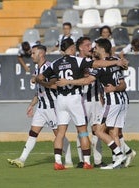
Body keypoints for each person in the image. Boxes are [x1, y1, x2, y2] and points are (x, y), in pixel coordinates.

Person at [36, 38, 128, 170]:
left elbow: (40, 77)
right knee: (84, 131)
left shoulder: (55, 63)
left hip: (60, 100)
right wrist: (117, 62)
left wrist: (41, 81)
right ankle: (87, 162)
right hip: (75, 99)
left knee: (60, 133)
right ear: (72, 48)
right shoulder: (78, 61)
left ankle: (58, 162)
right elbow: (96, 64)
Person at [7, 45, 73, 168]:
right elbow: (39, 92)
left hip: (53, 108)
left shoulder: (49, 67)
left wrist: (39, 80)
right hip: (42, 108)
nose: (31, 55)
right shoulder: (37, 70)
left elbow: (55, 86)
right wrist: (31, 105)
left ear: (41, 54)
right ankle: (21, 159)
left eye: (33, 53)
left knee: (59, 135)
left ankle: (69, 161)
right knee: (33, 133)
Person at [75, 37, 106, 168]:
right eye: (87, 45)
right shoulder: (75, 61)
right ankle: (83, 160)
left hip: (96, 100)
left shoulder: (94, 61)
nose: (91, 47)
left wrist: (102, 94)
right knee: (81, 129)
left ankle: (98, 160)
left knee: (97, 130)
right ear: (80, 47)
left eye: (91, 45)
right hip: (82, 100)